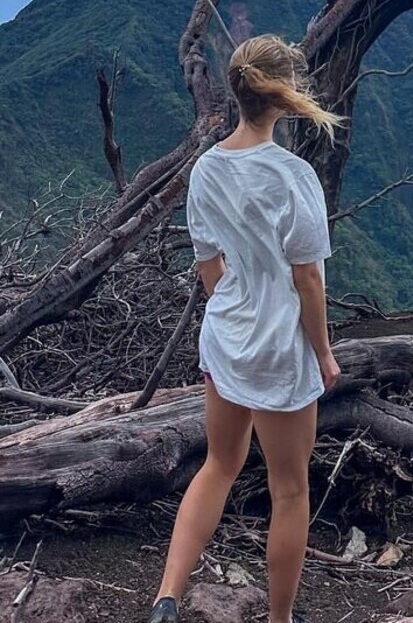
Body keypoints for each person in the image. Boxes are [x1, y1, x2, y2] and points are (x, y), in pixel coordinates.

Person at [148, 35, 344, 623]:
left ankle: (166, 599)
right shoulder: (293, 175)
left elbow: (209, 263)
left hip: (226, 335)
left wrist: (234, 319)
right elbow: (307, 278)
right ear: (284, 96)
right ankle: (280, 619)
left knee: (219, 464)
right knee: (290, 489)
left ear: (237, 92)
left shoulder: (207, 168)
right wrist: (324, 354)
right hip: (280, 346)